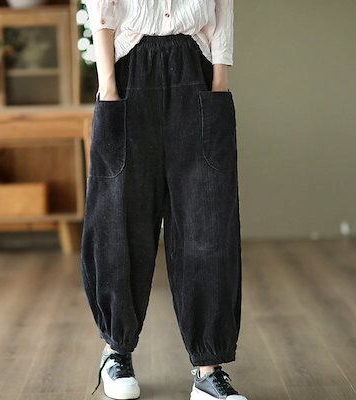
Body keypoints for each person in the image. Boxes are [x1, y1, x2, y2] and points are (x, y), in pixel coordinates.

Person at [80, 1, 246, 399]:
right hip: (128, 72)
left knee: (208, 224)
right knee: (119, 220)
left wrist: (219, 81)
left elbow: (222, 10)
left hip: (197, 72)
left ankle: (208, 369)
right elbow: (102, 9)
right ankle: (116, 350)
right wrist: (108, 87)